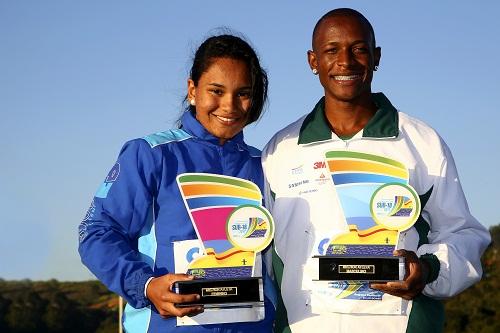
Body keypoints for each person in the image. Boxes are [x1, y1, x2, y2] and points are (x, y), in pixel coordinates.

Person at [262, 8, 490, 333]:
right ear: (313, 61)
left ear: (376, 56)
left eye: (359, 49)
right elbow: (261, 253)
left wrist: (426, 270)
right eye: (332, 50)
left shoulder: (420, 142)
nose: (346, 61)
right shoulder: (281, 149)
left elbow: (465, 234)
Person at [78, 34, 276, 332]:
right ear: (192, 89)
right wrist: (145, 285)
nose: (229, 105)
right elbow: (96, 233)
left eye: (243, 93)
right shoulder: (150, 154)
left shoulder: (265, 164)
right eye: (216, 91)